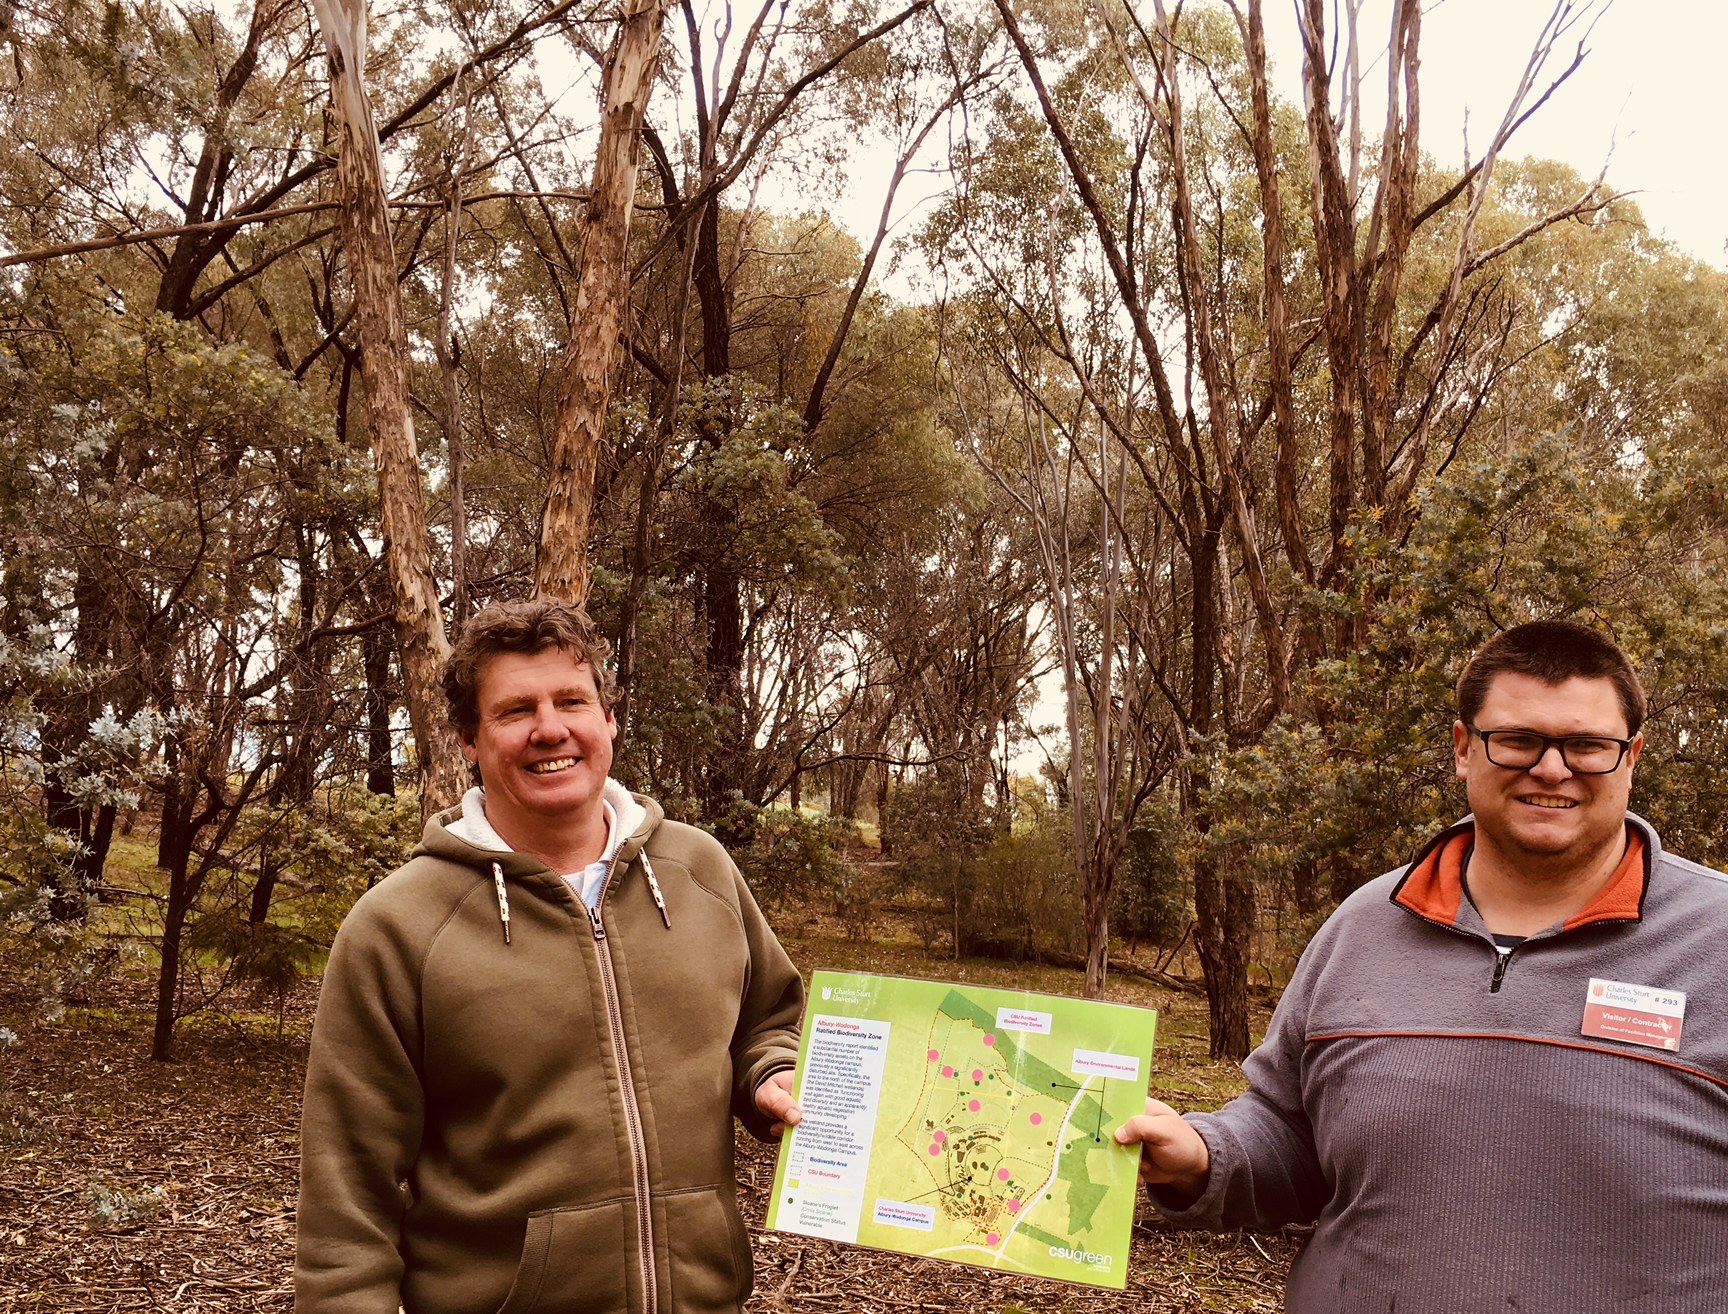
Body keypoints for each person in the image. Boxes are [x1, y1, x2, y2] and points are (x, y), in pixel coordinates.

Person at [1117, 620, 1728, 1312]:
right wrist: (1200, 1153)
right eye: (1519, 739)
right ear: (1466, 748)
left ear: (1632, 757)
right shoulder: (1367, 923)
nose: (1551, 768)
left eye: (1587, 745)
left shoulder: (1716, 941)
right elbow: (1289, 1131)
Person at [295, 599, 805, 1314]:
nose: (551, 729)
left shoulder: (701, 872)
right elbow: (345, 1202)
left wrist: (769, 1074)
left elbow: (772, 1019)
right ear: (470, 737)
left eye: (572, 700)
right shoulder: (398, 927)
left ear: (610, 720)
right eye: (515, 710)